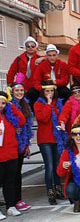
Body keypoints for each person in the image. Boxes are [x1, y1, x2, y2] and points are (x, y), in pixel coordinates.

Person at [34, 81, 67, 205]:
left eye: (51, 91)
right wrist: (48, 104)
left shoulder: (58, 103)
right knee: (49, 167)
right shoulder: (38, 104)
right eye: (47, 91)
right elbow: (43, 118)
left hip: (56, 138)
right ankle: (50, 193)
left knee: (57, 166)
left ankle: (58, 190)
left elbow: (62, 117)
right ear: (43, 92)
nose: (50, 93)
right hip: (45, 139)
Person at [0, 91, 26, 219]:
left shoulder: (9, 115)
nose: (1, 105)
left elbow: (21, 120)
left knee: (10, 182)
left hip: (11, 154)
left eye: (3, 103)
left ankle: (11, 206)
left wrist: (11, 106)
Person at [10, 79, 34, 212]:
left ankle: (18, 200)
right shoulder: (8, 105)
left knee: (17, 173)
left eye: (21, 90)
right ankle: (12, 201)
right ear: (12, 92)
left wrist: (26, 145)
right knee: (11, 174)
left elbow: (27, 128)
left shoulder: (25, 105)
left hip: (21, 144)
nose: (19, 93)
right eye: (17, 90)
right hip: (10, 144)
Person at [7, 36, 44, 106]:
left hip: (34, 86)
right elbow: (12, 72)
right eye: (28, 46)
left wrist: (43, 58)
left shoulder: (40, 59)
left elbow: (50, 59)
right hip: (21, 84)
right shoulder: (19, 58)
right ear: (25, 47)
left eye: (33, 46)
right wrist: (9, 84)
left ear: (36, 47)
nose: (30, 48)